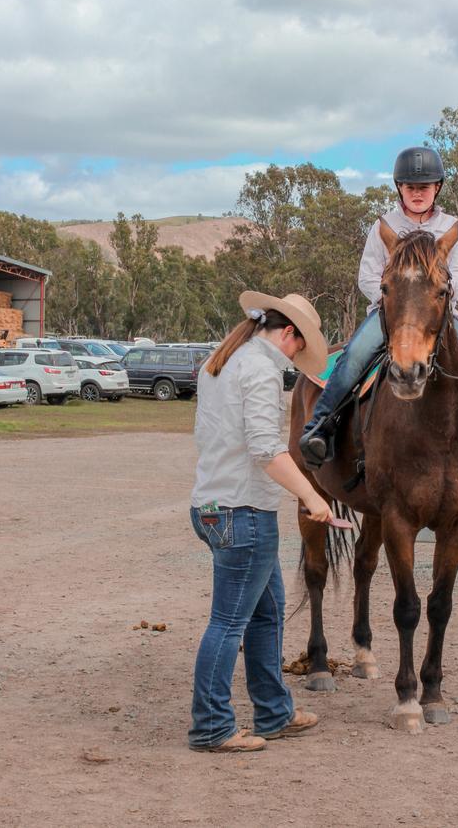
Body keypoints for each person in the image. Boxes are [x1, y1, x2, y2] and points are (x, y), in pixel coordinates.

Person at [299, 146, 458, 497]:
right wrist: (398, 299)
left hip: (440, 315)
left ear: (438, 188)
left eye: (425, 186)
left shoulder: (451, 228)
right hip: (389, 314)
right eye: (410, 186)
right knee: (354, 358)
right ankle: (320, 428)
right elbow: (367, 275)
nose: (417, 193)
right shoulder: (384, 227)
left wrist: (432, 298)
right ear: (399, 188)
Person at [189, 291, 333, 753]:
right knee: (229, 623)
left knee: (266, 613)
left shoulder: (224, 358)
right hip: (243, 511)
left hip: (214, 504)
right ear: (287, 334)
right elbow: (266, 450)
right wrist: (313, 496)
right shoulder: (260, 370)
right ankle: (211, 726)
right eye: (298, 347)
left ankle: (273, 711)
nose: (296, 358)